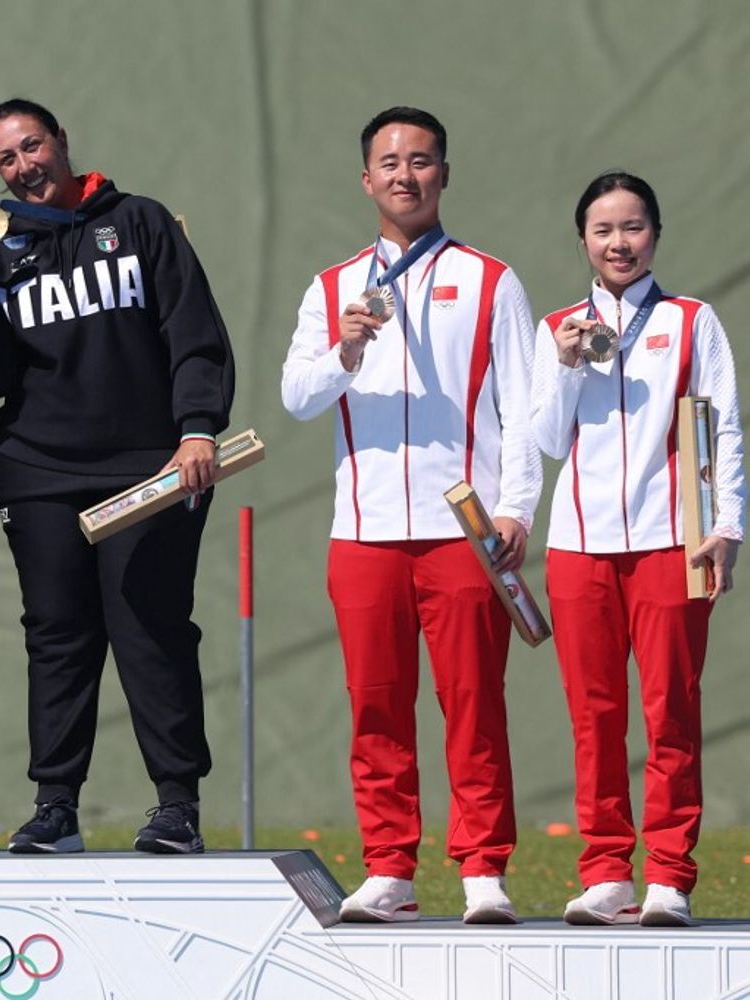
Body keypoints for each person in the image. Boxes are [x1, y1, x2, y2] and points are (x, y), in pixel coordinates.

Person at [0, 98, 234, 855]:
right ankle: (56, 806)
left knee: (150, 627)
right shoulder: (0, 249)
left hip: (148, 468)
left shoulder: (138, 222)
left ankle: (177, 805)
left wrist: (198, 427)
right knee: (58, 636)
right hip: (38, 471)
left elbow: (193, 331)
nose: (24, 166)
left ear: (63, 142)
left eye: (32, 146)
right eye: (5, 159)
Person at [280, 107, 540, 923]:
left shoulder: (492, 280)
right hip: (363, 534)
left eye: (421, 160)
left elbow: (525, 408)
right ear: (366, 180)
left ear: (443, 175)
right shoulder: (332, 288)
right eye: (388, 162)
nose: (405, 174)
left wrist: (517, 509)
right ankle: (389, 868)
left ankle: (483, 871)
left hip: (462, 531)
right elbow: (296, 399)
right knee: (376, 705)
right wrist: (346, 350)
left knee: (474, 701)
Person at [531, 172, 743, 927]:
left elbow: (725, 428)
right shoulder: (558, 327)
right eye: (603, 230)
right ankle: (606, 874)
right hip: (578, 548)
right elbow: (548, 441)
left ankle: (670, 878)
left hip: (670, 544)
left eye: (633, 227)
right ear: (583, 239)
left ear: (655, 232)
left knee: (670, 712)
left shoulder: (693, 321)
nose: (619, 243)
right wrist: (562, 365)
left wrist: (728, 526)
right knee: (594, 716)